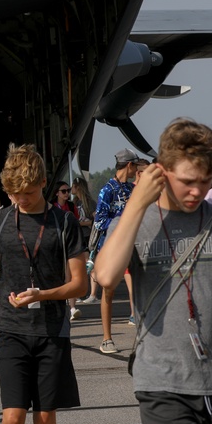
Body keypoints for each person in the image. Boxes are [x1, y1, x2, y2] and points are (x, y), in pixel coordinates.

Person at [94, 118, 212, 424]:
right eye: (187, 181)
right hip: (161, 381)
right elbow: (106, 277)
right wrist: (137, 204)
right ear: (162, 171)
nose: (196, 192)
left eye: (205, 182)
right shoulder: (134, 222)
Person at [0, 143, 87, 424]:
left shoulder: (63, 223)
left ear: (43, 183)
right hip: (11, 331)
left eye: (26, 192)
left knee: (44, 417)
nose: (20, 199)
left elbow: (80, 285)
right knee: (13, 418)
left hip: (52, 331)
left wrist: (43, 294)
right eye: (14, 193)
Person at [93, 148, 140, 353]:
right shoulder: (107, 190)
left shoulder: (132, 189)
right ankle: (106, 338)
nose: (136, 169)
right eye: (135, 165)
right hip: (111, 247)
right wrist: (122, 224)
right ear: (129, 165)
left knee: (139, 290)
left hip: (133, 246)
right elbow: (99, 221)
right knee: (108, 292)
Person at [52, 180, 82, 321]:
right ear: (57, 193)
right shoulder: (52, 206)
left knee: (71, 275)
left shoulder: (71, 206)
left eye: (68, 190)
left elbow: (76, 222)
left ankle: (72, 307)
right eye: (63, 191)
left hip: (69, 243)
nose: (67, 194)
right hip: (56, 244)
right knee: (60, 275)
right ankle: (62, 305)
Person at [71, 177, 99, 305]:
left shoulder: (90, 203)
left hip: (88, 236)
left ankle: (92, 294)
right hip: (78, 236)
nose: (71, 189)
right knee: (79, 264)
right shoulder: (74, 202)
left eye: (72, 187)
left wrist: (80, 223)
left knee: (91, 263)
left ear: (78, 187)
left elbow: (94, 220)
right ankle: (79, 292)